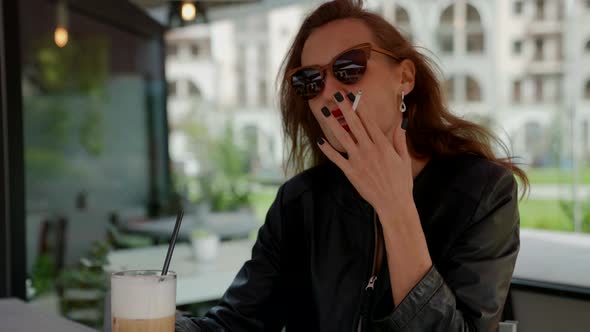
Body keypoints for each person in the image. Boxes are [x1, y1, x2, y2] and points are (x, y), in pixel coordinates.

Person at [176, 0, 528, 331]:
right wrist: (146, 314)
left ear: (404, 78)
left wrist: (396, 208)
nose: (329, 92)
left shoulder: (483, 191)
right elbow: (233, 326)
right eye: (310, 81)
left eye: (348, 68)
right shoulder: (299, 202)